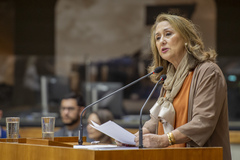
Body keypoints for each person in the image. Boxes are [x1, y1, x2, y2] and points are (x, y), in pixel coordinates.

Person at [117, 13, 231, 160]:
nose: (161, 41)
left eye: (168, 34)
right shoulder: (169, 78)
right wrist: (135, 138)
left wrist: (164, 140)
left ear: (186, 38)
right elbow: (156, 120)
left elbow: (203, 122)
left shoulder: (207, 71)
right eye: (157, 38)